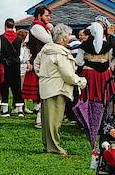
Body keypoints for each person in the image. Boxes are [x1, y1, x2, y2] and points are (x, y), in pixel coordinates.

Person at [36, 23, 84, 155]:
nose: (70, 38)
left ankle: (48, 145)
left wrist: (44, 75)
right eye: (68, 35)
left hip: (46, 86)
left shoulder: (46, 49)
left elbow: (36, 65)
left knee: (47, 120)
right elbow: (68, 75)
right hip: (57, 88)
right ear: (63, 38)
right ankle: (54, 147)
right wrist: (80, 81)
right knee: (55, 120)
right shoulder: (61, 53)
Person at [23, 6, 54, 127]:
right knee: (44, 91)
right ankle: (40, 119)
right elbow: (50, 41)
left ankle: (42, 117)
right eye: (46, 15)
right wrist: (51, 29)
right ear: (40, 16)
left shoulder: (40, 27)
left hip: (43, 62)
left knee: (44, 91)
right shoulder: (37, 27)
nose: (49, 18)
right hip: (41, 62)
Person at [0, 19, 24, 116]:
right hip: (16, 64)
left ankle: (5, 110)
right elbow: (22, 54)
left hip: (5, 64)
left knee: (4, 86)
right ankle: (20, 110)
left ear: (5, 26)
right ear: (14, 26)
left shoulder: (1, 38)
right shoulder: (19, 38)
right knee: (17, 86)